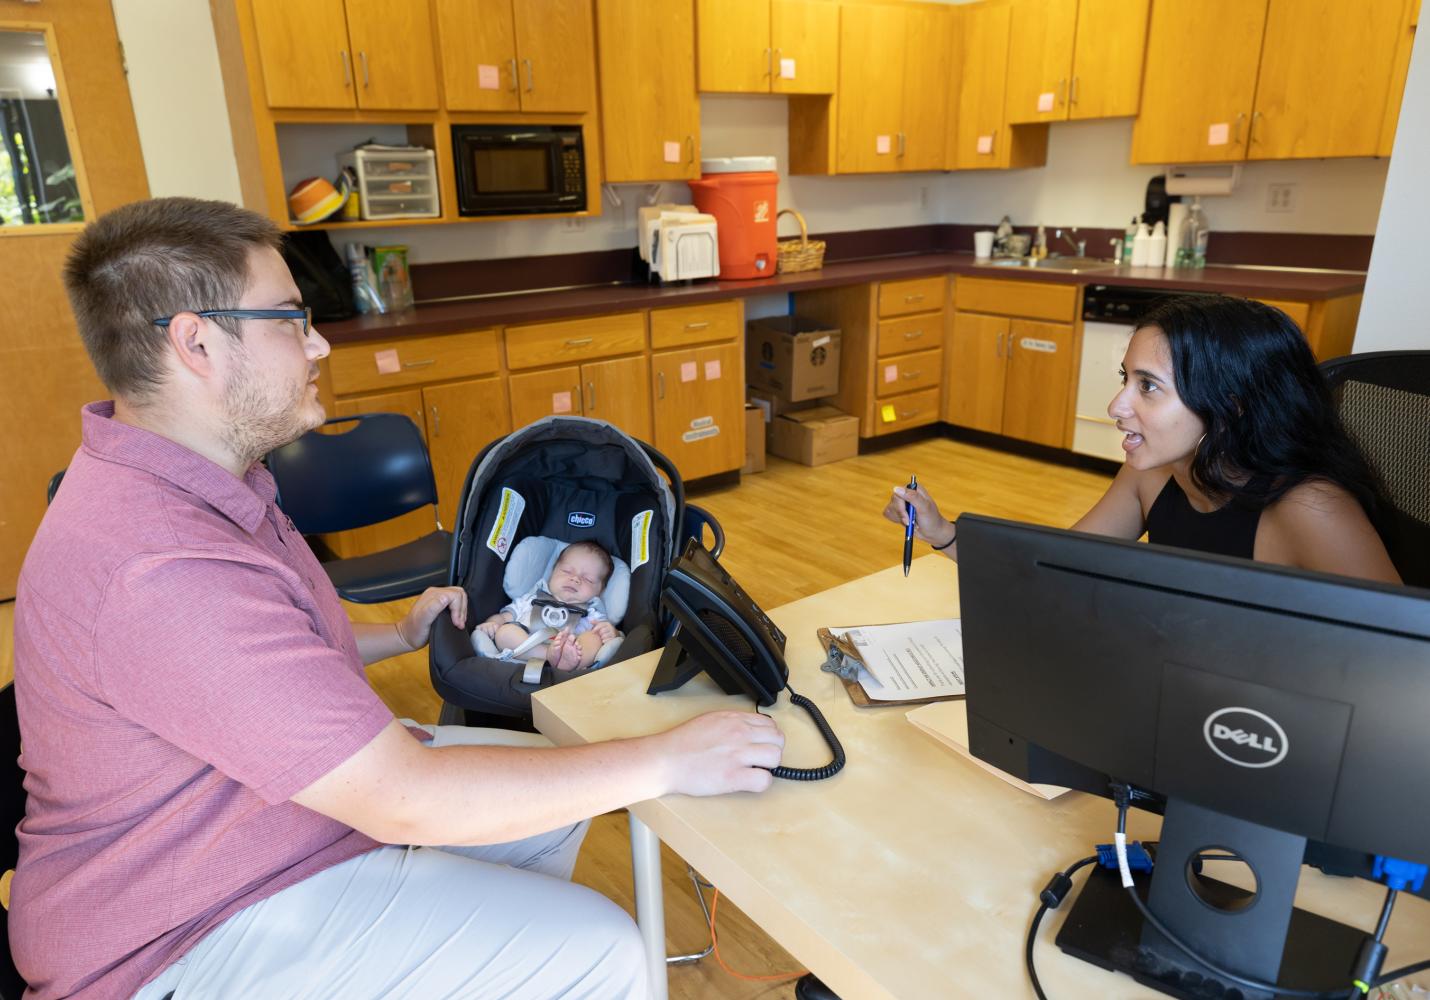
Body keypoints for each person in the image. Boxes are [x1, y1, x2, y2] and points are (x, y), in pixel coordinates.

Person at [12, 197, 786, 1000]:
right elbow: (402, 800)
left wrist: (393, 630)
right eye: (288, 319)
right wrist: (669, 757)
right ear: (196, 341)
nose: (318, 342)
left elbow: (266, 642)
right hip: (177, 940)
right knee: (601, 949)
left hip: (259, 832)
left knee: (555, 792)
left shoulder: (209, 479)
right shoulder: (161, 567)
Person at [885, 295, 1401, 585]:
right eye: (1125, 378)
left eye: (1149, 386)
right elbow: (1053, 564)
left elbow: (1401, 660)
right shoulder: (1151, 473)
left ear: (1233, 402)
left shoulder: (1309, 508)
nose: (1116, 406)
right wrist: (943, 531)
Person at [476, 539, 621, 671]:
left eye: (588, 579)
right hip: (529, 646)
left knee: (594, 638)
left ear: (600, 590)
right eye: (567, 571)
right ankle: (548, 655)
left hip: (570, 648)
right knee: (505, 631)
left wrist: (610, 632)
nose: (575, 579)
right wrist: (493, 623)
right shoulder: (532, 598)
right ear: (552, 572)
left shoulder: (592, 612)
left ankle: (572, 661)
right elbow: (504, 616)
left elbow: (607, 637)